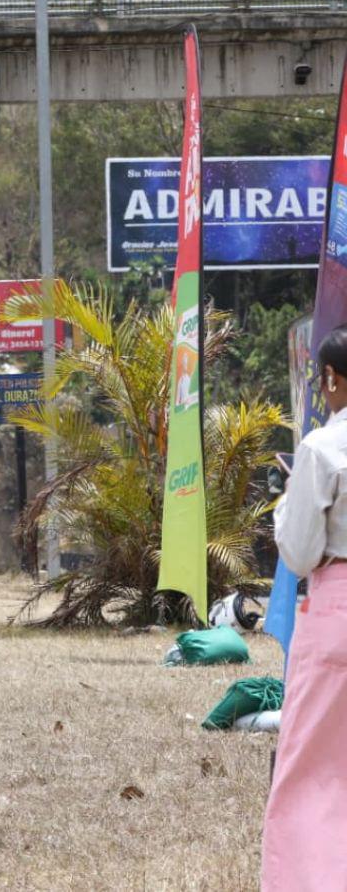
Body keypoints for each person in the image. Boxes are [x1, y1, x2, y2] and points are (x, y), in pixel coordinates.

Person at [261, 323, 347, 892]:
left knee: (311, 764)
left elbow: (298, 552)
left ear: (333, 378)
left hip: (336, 612)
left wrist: (283, 509)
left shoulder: (322, 447)